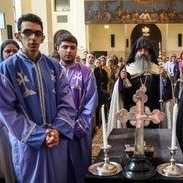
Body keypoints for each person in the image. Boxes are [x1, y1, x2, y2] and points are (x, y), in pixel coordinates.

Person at [0, 13, 76, 183]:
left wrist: (57, 130)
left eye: (37, 33)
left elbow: (66, 100)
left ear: (43, 37)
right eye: (27, 32)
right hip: (29, 144)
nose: (33, 38)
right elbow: (7, 111)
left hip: (56, 140)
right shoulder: (6, 70)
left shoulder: (54, 66)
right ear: (18, 36)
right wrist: (39, 135)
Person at [107, 36, 172, 136]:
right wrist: (121, 81)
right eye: (140, 50)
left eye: (146, 50)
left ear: (149, 53)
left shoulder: (156, 69)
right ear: (135, 52)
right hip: (132, 114)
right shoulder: (128, 70)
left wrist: (164, 79)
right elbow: (121, 94)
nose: (143, 53)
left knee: (153, 141)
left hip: (152, 114)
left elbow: (165, 95)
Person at [56, 33, 98, 183]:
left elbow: (91, 102)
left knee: (80, 169)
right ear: (58, 49)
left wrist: (80, 126)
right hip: (56, 131)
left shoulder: (86, 72)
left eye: (72, 47)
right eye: (65, 47)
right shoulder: (50, 71)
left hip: (78, 129)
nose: (69, 51)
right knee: (58, 169)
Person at [0, 39, 20, 183]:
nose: (12, 54)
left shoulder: (25, 74)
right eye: (7, 51)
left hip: (21, 126)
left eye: (15, 51)